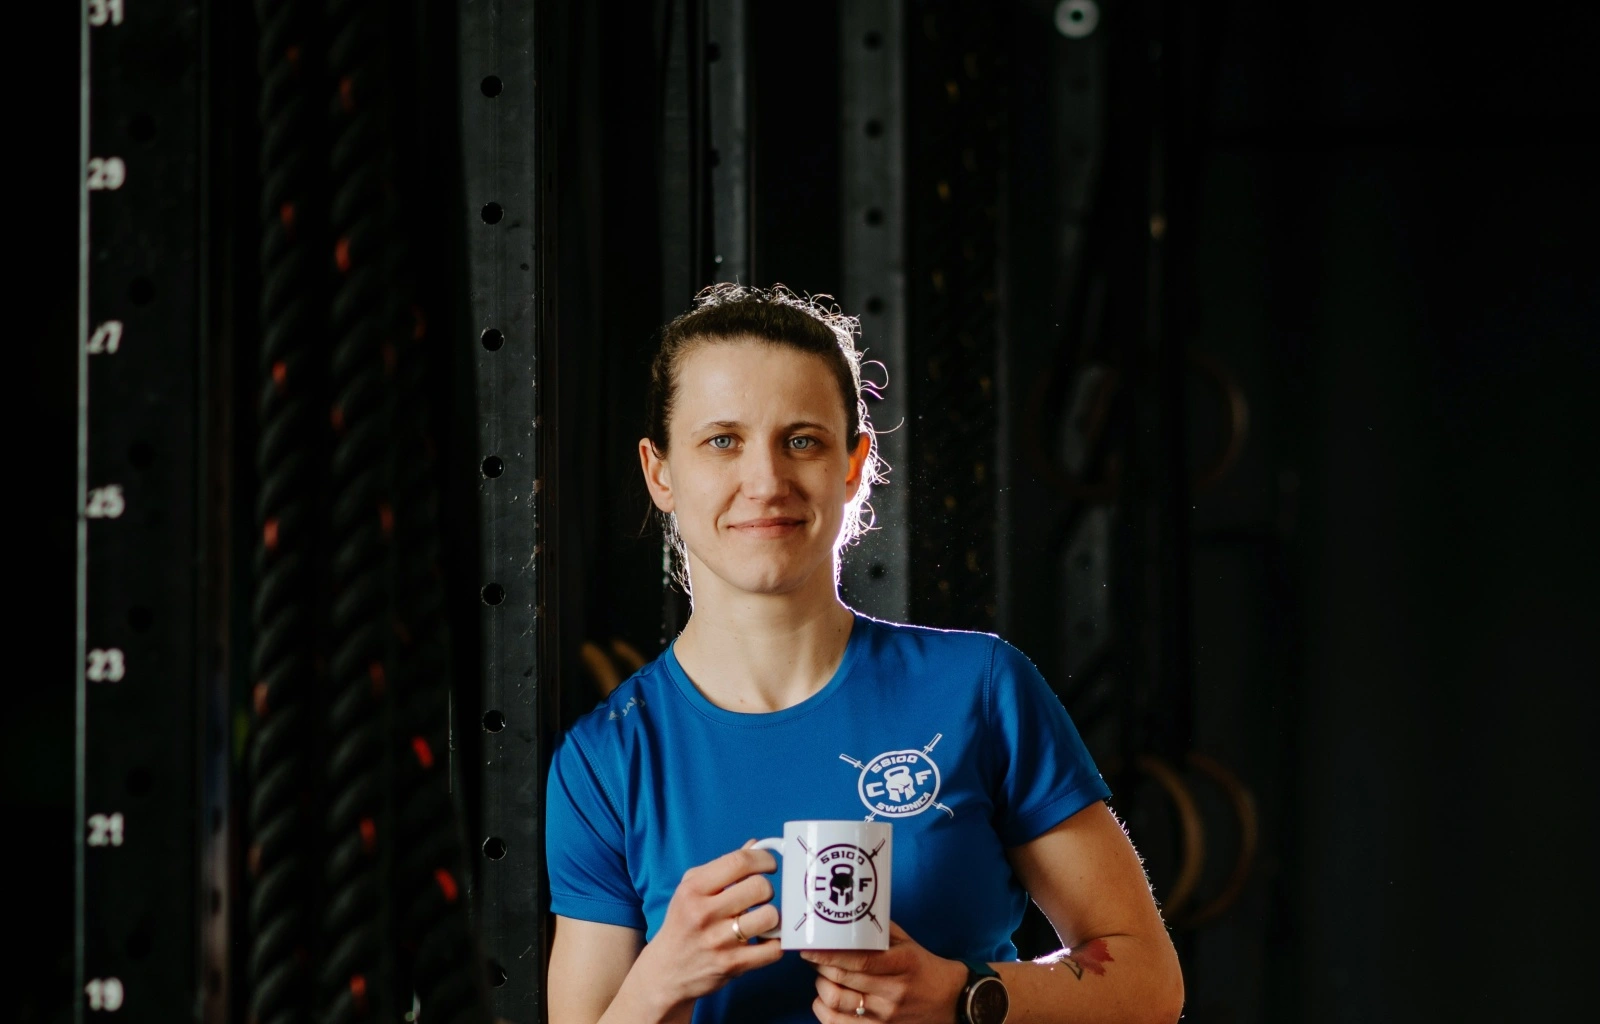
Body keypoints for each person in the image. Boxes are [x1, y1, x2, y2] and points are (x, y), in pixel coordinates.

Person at [545, 284, 1184, 1024]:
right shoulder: (606, 760)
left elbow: (1148, 981)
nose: (767, 482)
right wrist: (661, 978)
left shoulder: (979, 690)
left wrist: (963, 994)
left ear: (852, 464)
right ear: (660, 472)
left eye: (803, 441)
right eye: (723, 441)